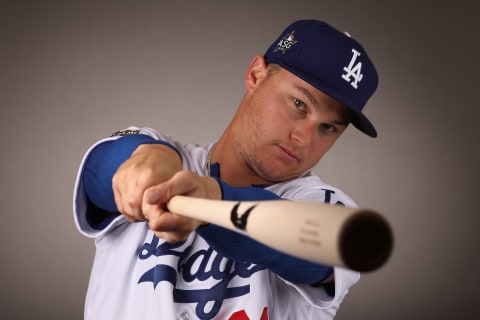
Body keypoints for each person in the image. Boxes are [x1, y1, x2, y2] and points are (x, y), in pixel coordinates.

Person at [73, 19, 379, 320]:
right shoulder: (160, 154)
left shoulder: (324, 205)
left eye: (327, 127)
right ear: (256, 75)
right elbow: (99, 172)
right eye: (299, 104)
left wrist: (211, 201)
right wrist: (148, 156)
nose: (304, 138)